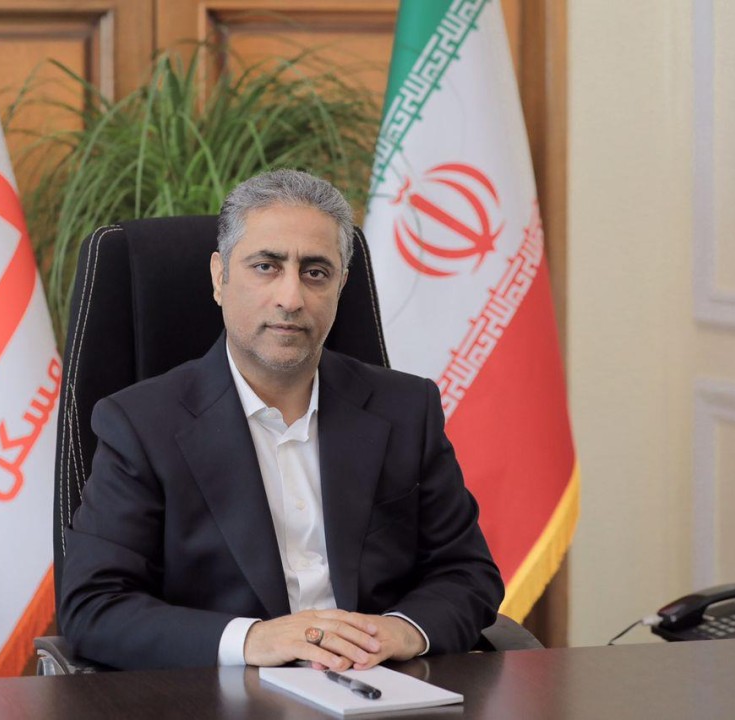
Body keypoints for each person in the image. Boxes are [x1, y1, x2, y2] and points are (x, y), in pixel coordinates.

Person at [59, 169, 503, 672]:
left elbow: (466, 573)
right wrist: (253, 639)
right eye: (266, 267)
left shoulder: (405, 409)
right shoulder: (141, 425)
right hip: (222, 692)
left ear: (341, 286)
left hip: (378, 683)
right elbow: (94, 605)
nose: (291, 298)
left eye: (315, 272)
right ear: (219, 277)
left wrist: (399, 631)